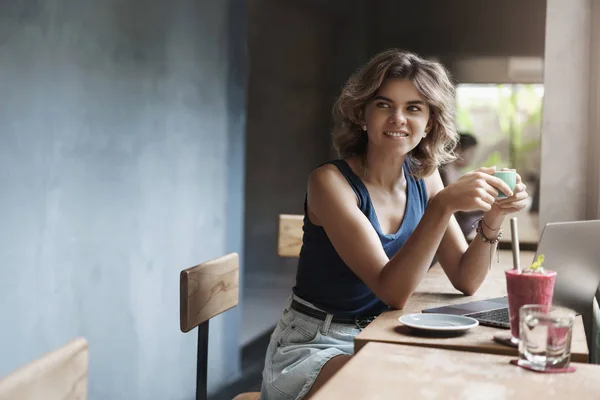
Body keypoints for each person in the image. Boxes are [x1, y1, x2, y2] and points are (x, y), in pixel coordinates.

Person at [260, 49, 528, 400]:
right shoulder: (329, 183)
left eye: (414, 108)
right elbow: (392, 291)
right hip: (316, 343)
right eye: (384, 105)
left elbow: (466, 279)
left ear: (430, 121)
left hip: (384, 333)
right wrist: (443, 205)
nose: (398, 118)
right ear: (362, 115)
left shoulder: (424, 176)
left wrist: (494, 215)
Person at [439, 132, 484, 237]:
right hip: (452, 229)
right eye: (471, 153)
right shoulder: (444, 173)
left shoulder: (456, 172)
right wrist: (487, 207)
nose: (472, 158)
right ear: (457, 150)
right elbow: (459, 208)